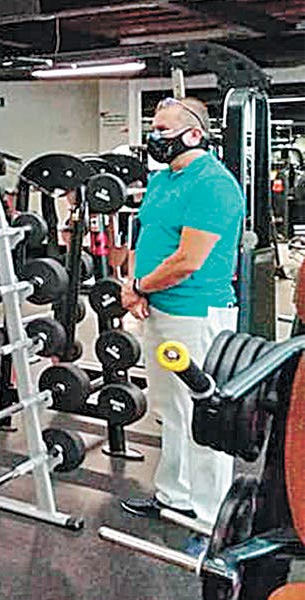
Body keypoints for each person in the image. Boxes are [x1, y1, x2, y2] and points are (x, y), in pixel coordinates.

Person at [119, 97, 245, 540]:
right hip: (159, 309)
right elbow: (148, 236)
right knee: (169, 409)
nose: (154, 137)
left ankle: (211, 520)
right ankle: (174, 496)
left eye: (162, 130)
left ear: (194, 135)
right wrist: (133, 284)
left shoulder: (213, 184)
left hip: (196, 314)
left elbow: (188, 260)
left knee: (204, 413)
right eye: (153, 128)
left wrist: (141, 286)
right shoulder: (162, 180)